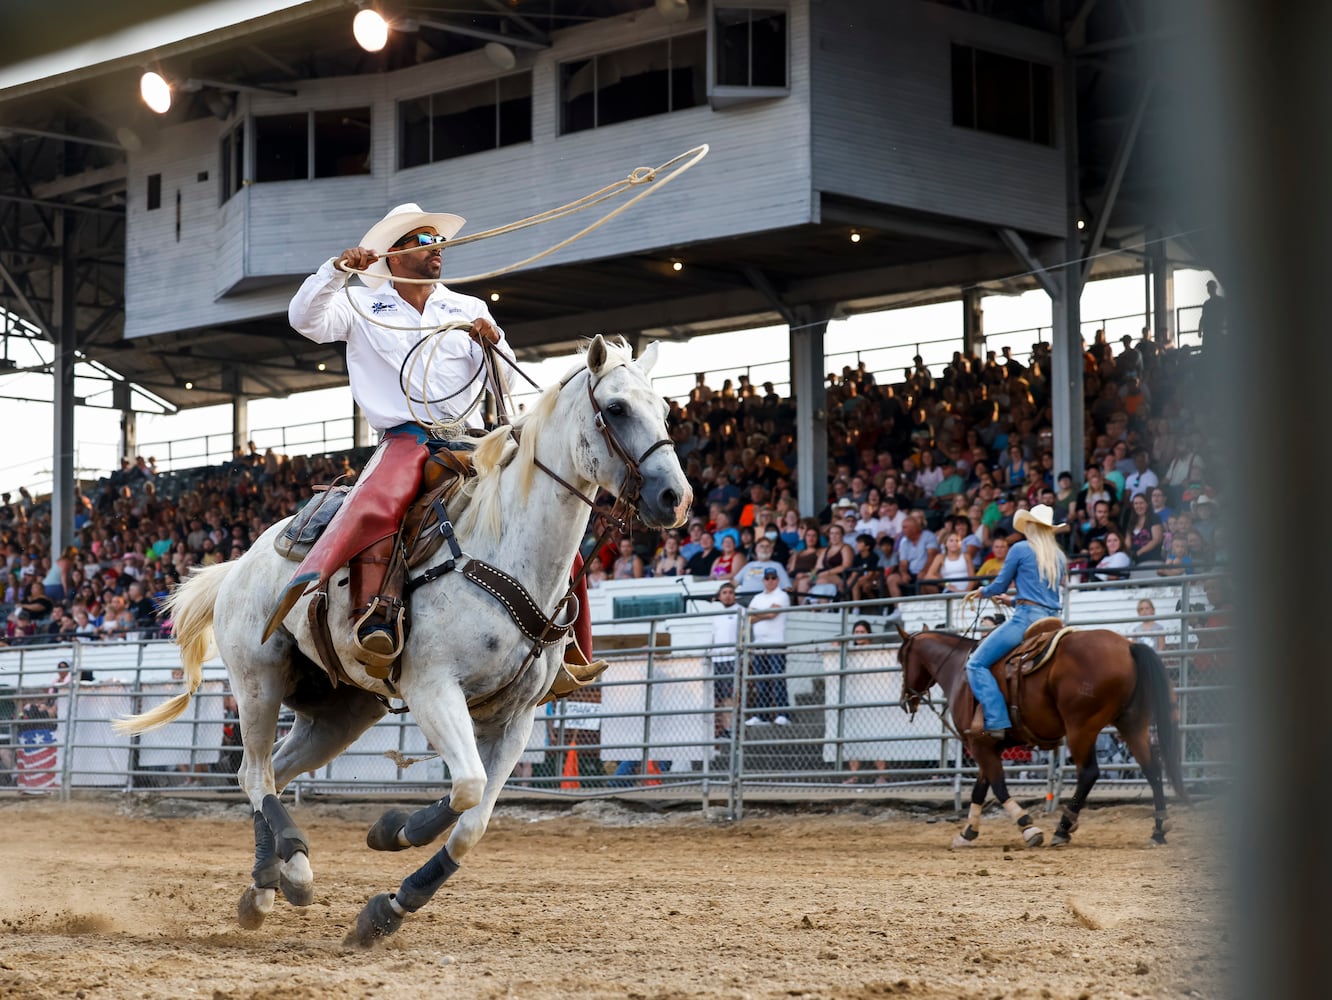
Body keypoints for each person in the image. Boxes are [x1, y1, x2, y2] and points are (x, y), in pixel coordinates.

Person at [275, 202, 519, 676]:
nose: (437, 249)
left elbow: (504, 383)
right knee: (378, 502)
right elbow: (304, 319)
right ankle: (374, 613)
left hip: (469, 438)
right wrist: (334, 271)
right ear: (394, 253)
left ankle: (568, 636)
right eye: (424, 241)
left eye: (437, 241)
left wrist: (493, 343)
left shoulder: (468, 308)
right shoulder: (359, 303)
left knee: (543, 492)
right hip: (405, 437)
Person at [961, 503, 1067, 740]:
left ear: (1030, 525)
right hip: (1053, 619)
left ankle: (997, 720)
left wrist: (983, 591)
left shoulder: (1020, 548)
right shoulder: (1058, 556)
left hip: (1026, 619)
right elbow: (1046, 595)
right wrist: (1012, 601)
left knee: (975, 664)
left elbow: (999, 584)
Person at [744, 568, 791, 726]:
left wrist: (758, 614)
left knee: (777, 680)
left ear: (777, 580)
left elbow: (772, 614)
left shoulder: (782, 595)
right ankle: (761, 716)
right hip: (759, 644)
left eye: (773, 578)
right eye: (767, 578)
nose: (770, 581)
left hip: (776, 643)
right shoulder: (757, 597)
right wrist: (766, 613)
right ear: (763, 580)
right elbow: (748, 618)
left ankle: (783, 714)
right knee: (760, 682)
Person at [708, 582, 742, 738]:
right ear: (719, 596)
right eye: (724, 592)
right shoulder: (715, 613)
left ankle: (730, 729)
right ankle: (720, 729)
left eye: (730, 592)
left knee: (729, 697)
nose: (728, 595)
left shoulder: (741, 611)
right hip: (716, 660)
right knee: (717, 698)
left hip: (731, 659)